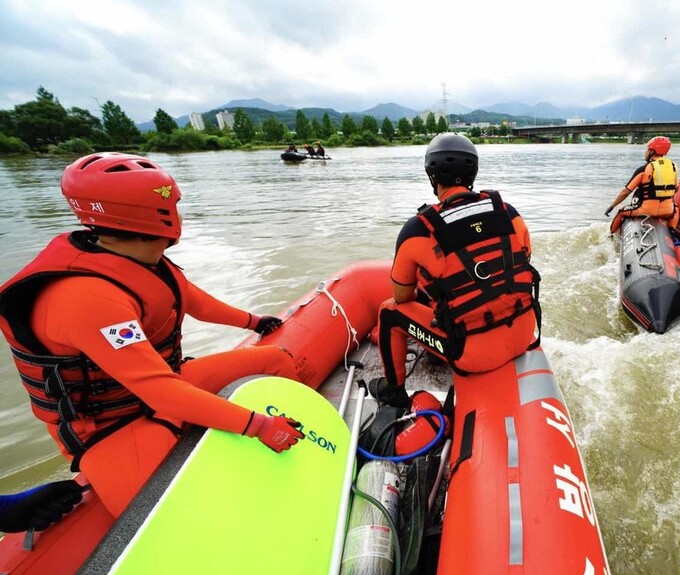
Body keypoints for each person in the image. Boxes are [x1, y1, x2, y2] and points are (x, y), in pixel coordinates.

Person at [0, 153, 305, 518]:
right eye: (174, 203)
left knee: (275, 359)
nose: (179, 211)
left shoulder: (138, 259)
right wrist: (257, 425)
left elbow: (188, 298)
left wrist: (253, 322)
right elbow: (159, 390)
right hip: (113, 426)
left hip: (163, 385)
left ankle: (297, 436)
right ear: (157, 213)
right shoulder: (88, 298)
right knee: (182, 515)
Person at [369, 133, 541, 407]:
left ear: (432, 176)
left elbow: (401, 298)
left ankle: (393, 391)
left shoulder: (417, 229)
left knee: (389, 312)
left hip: (471, 355)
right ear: (473, 172)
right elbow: (522, 260)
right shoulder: (508, 212)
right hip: (524, 334)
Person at [604, 135, 680, 233]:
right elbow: (676, 189)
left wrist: (612, 207)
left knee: (621, 212)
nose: (645, 152)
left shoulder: (644, 169)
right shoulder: (673, 167)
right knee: (676, 208)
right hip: (667, 210)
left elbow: (625, 192)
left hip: (646, 210)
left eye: (647, 149)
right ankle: (672, 231)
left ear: (652, 151)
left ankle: (610, 235)